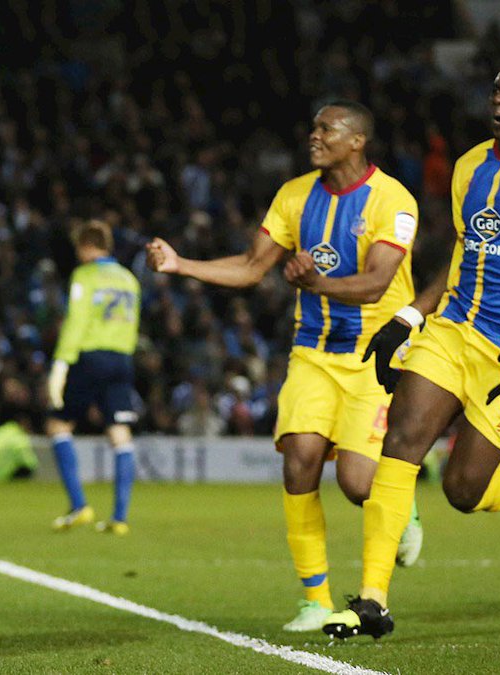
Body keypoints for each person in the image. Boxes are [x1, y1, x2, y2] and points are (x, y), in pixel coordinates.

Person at [323, 62, 500, 640]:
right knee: (402, 441)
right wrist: (409, 317)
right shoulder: (468, 166)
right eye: (496, 90)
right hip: (453, 330)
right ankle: (372, 600)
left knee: (462, 492)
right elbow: (461, 253)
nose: (499, 100)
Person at [147, 100, 424, 632]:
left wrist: (315, 283)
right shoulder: (294, 196)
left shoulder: (393, 200)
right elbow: (253, 268)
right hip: (314, 351)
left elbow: (376, 283)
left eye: (326, 128)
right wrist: (182, 264)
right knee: (298, 460)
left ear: (357, 140)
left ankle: (400, 503)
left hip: (376, 356)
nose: (313, 134)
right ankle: (315, 599)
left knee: (357, 483)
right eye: (314, 125)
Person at [47, 219, 142, 535]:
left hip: (90, 357)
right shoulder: (129, 279)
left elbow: (76, 320)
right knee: (119, 433)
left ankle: (79, 505)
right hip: (122, 359)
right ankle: (120, 517)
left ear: (86, 247)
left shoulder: (85, 276)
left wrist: (61, 363)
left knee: (59, 424)